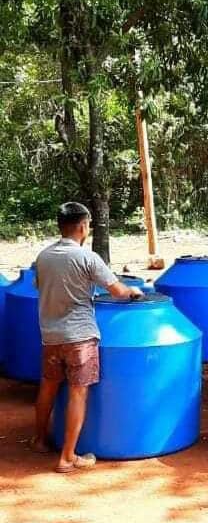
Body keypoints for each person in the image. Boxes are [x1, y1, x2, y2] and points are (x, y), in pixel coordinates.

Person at [32, 202, 144, 473]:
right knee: (77, 393)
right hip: (80, 336)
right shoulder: (87, 258)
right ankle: (67, 457)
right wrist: (133, 292)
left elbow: (39, 285)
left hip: (50, 335)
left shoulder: (43, 257)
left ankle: (39, 439)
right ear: (83, 226)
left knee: (48, 385)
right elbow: (116, 290)